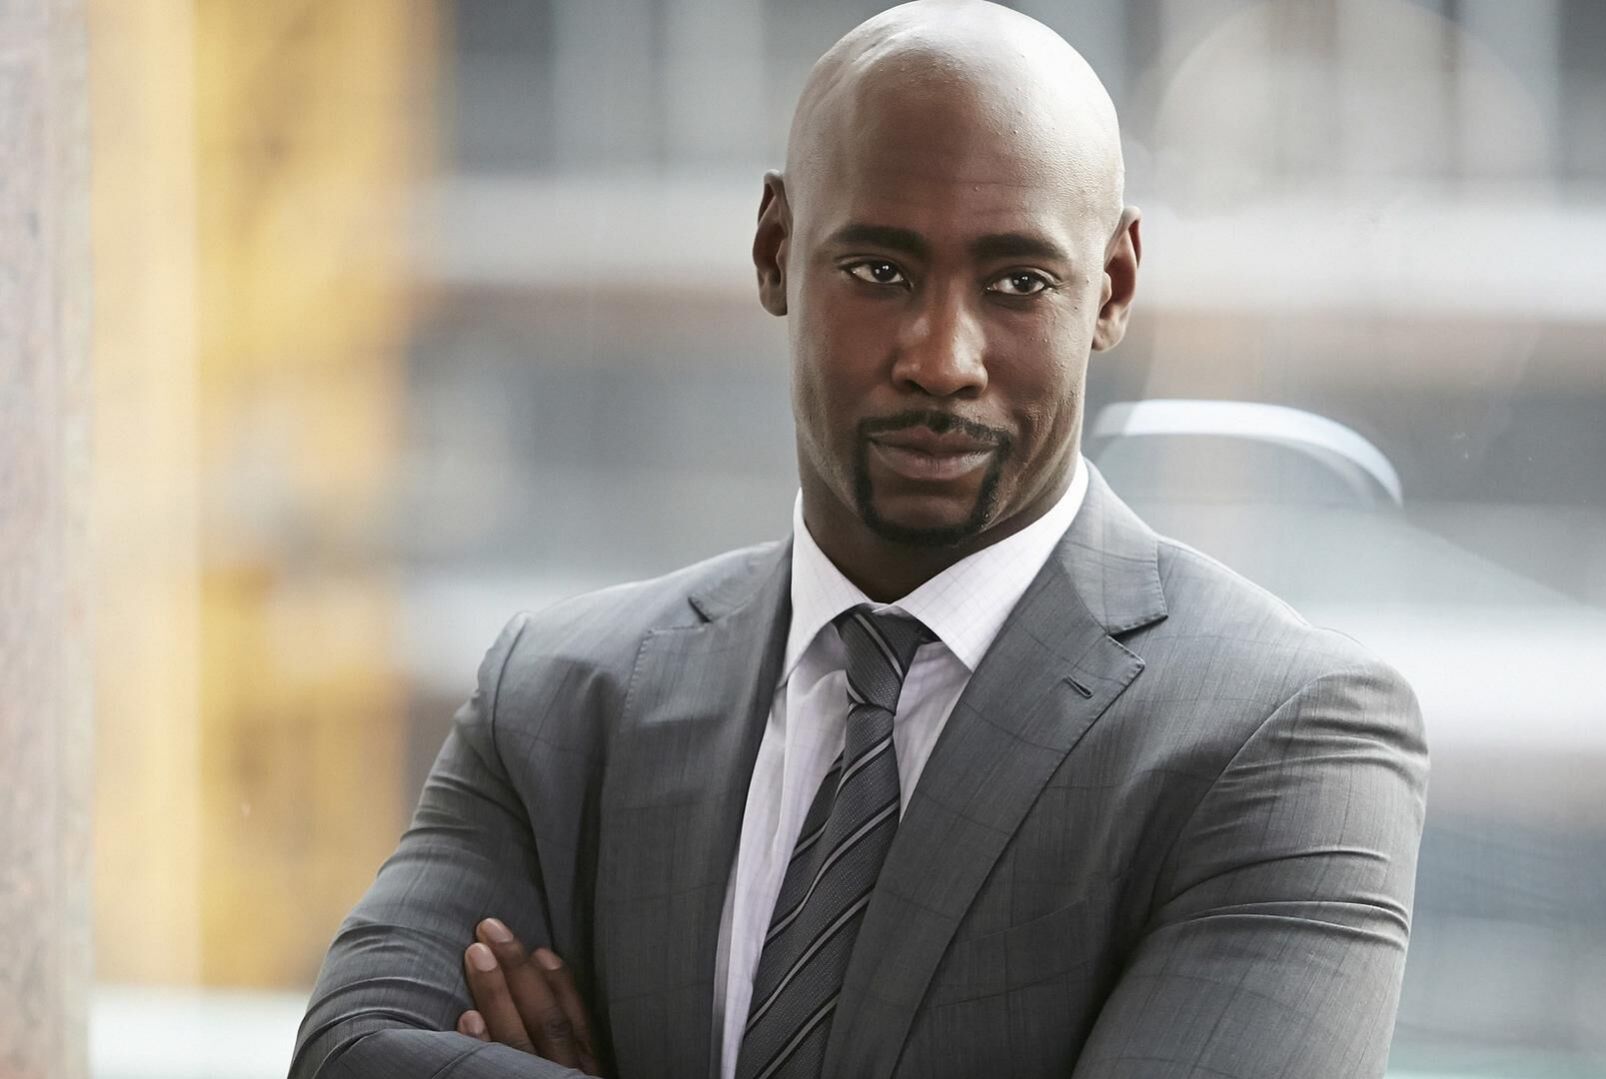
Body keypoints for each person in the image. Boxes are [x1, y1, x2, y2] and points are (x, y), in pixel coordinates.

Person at [289, 2, 1427, 1076]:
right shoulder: (557, 698)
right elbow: (352, 1051)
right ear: (774, 248)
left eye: (1017, 281)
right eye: (880, 271)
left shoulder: (1281, 737)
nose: (941, 358)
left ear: (1113, 286)